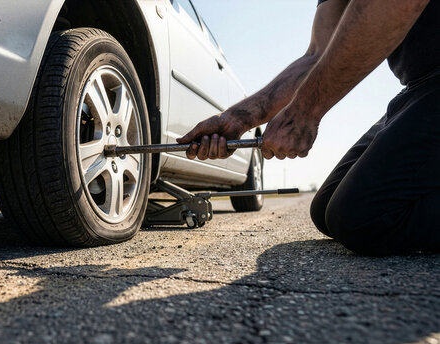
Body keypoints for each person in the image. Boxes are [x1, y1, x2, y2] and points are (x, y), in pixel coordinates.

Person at [177, 0, 439, 255]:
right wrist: (237, 119)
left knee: (360, 218)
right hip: (418, 88)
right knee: (326, 210)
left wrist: (305, 110)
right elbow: (318, 54)